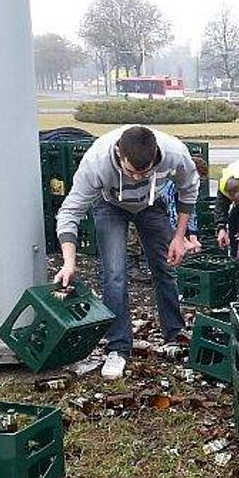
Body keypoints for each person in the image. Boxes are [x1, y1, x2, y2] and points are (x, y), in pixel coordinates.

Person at [54, 125, 199, 379]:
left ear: (155, 155)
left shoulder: (176, 154)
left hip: (151, 203)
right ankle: (118, 348)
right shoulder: (96, 162)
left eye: (145, 173)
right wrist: (68, 262)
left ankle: (175, 334)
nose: (137, 179)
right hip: (110, 205)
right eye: (131, 172)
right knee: (115, 274)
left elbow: (189, 190)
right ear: (119, 154)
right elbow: (70, 212)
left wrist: (179, 237)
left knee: (166, 267)